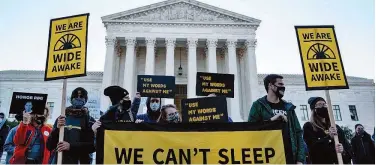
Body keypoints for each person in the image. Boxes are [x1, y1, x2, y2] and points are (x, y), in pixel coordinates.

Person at [247, 74, 305, 164]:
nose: (283, 87)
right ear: (270, 85)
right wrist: (271, 121)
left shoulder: (288, 107)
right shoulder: (258, 105)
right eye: (280, 84)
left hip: (290, 158)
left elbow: (298, 132)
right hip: (269, 157)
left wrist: (300, 159)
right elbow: (251, 129)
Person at [46, 87, 96, 164]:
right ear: (71, 99)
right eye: (76, 96)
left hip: (79, 161)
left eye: (81, 97)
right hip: (59, 160)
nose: (78, 99)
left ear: (85, 100)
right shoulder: (61, 118)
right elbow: (49, 145)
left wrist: (71, 146)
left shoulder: (90, 121)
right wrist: (57, 129)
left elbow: (93, 146)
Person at [303, 97, 352, 164]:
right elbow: (312, 148)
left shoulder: (335, 127)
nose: (323, 106)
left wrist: (343, 150)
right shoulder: (309, 126)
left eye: (324, 104)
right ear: (314, 109)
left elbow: (348, 147)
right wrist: (329, 138)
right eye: (319, 104)